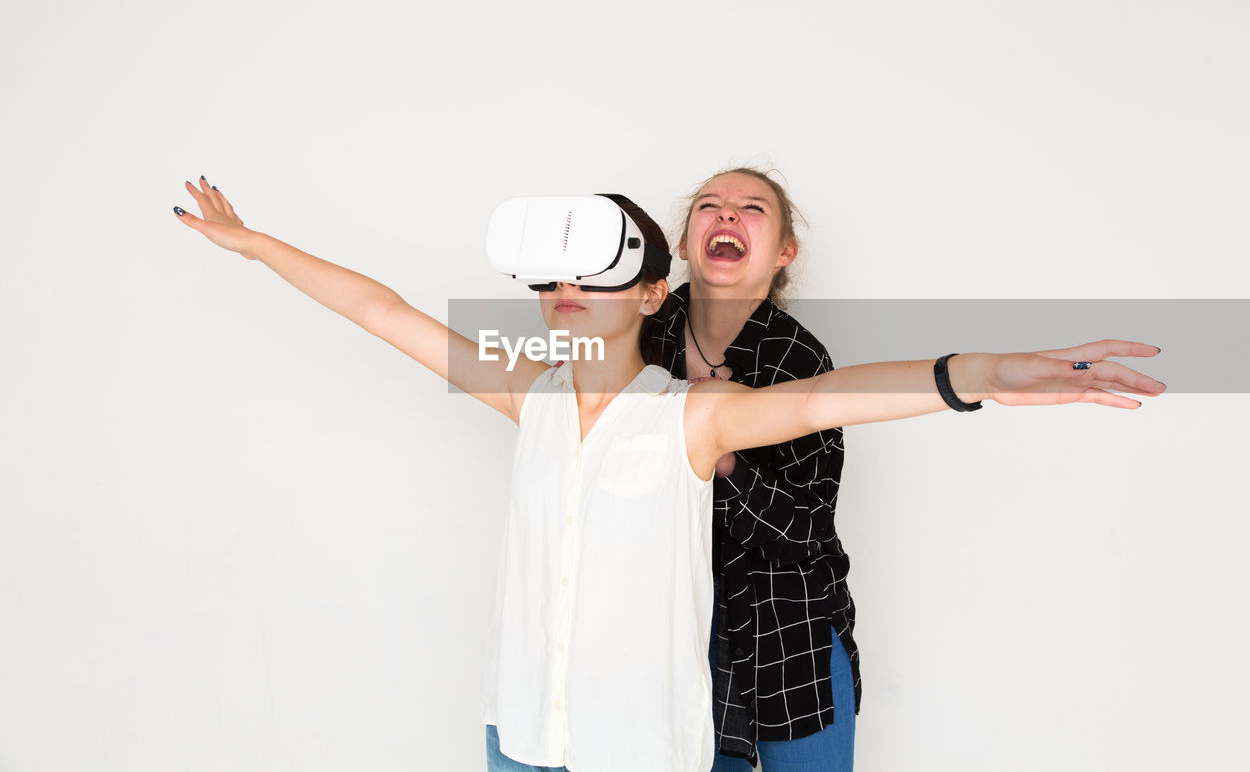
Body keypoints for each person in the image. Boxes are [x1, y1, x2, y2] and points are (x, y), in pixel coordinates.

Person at [173, 176, 1164, 772]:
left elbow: (836, 397)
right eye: (553, 277)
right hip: (518, 733)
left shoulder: (693, 416)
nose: (567, 291)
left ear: (651, 291)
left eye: (594, 273)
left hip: (640, 747)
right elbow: (382, 312)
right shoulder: (526, 395)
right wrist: (254, 244)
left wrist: (988, 374)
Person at [651, 168, 858, 769]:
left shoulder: (801, 359)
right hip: (669, 628)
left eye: (751, 208)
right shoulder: (638, 338)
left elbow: (801, 531)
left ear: (784, 252)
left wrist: (719, 455)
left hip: (788, 628)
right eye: (709, 206)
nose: (727, 214)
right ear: (688, 242)